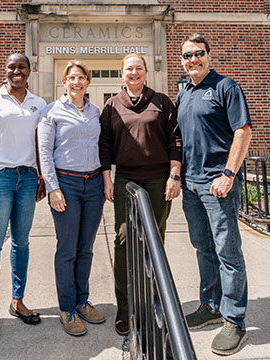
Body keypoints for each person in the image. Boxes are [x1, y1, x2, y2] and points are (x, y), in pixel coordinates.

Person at [176, 33, 252, 356]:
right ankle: (210, 305)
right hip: (191, 186)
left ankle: (234, 320)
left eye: (198, 54)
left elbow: (243, 131)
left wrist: (228, 174)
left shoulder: (226, 87)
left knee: (227, 252)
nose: (193, 60)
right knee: (203, 248)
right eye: (187, 56)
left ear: (209, 56)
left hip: (217, 185)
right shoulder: (184, 94)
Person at [99, 53, 182, 336]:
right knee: (123, 238)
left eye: (138, 68)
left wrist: (174, 175)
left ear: (146, 72)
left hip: (159, 179)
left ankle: (154, 298)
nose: (133, 73)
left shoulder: (162, 102)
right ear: (122, 74)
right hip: (125, 178)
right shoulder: (111, 105)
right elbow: (105, 146)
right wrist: (107, 179)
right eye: (128, 69)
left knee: (155, 239)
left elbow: (175, 140)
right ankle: (124, 304)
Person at [0, 53, 46, 341]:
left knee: (22, 242)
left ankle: (18, 301)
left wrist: (41, 177)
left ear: (30, 71)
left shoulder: (38, 104)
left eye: (22, 67)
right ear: (5, 70)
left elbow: (40, 142)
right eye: (12, 67)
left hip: (28, 178)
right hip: (0, 177)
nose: (17, 71)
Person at [38, 61, 105, 337]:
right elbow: (44, 152)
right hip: (66, 184)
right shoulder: (51, 111)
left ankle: (82, 299)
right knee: (67, 248)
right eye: (71, 77)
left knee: (86, 248)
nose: (76, 82)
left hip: (94, 184)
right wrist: (53, 188)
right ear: (64, 82)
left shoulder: (95, 111)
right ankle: (67, 308)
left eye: (81, 77)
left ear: (88, 82)